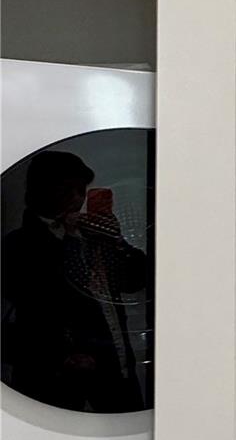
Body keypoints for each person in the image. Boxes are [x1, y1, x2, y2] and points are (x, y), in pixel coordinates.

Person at [1, 149, 150, 412]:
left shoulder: (93, 236)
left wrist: (116, 241)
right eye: (66, 190)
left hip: (115, 365)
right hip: (55, 380)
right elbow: (44, 298)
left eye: (81, 191)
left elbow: (136, 280)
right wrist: (61, 357)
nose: (76, 200)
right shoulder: (17, 245)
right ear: (41, 190)